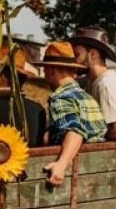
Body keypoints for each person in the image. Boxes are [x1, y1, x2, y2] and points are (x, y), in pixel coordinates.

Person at [35, 41, 106, 186]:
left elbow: (76, 131)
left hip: (75, 175)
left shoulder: (61, 97)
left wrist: (61, 165)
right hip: (96, 170)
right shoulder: (87, 97)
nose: (44, 74)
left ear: (51, 70)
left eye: (44, 70)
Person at [73, 27, 116, 142]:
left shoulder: (106, 84)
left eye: (77, 56)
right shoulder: (94, 83)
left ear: (92, 55)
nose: (74, 62)